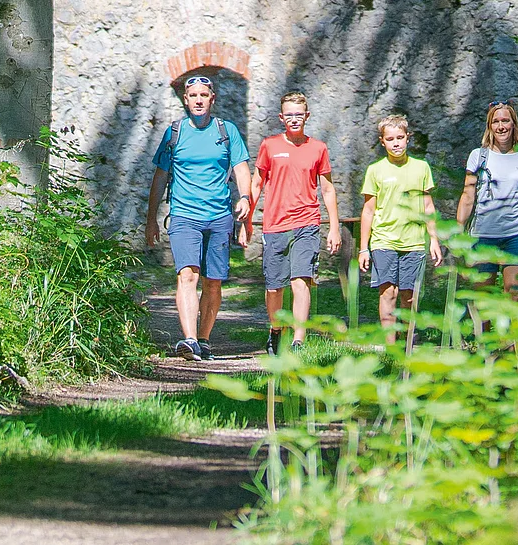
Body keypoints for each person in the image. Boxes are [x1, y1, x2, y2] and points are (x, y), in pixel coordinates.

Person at [144, 74, 250, 361]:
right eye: (194, 96)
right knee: (187, 275)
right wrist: (151, 218)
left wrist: (245, 198)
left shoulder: (226, 131)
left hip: (218, 217)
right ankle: (189, 339)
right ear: (186, 100)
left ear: (212, 99)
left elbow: (241, 168)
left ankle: (204, 339)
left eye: (204, 95)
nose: (199, 100)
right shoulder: (175, 133)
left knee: (213, 281)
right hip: (184, 215)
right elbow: (161, 176)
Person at [252, 91, 341, 353]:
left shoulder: (318, 148)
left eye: (298, 115)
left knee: (300, 280)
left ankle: (299, 339)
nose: (294, 119)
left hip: (307, 223)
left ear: (307, 116)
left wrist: (333, 227)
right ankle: (276, 330)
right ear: (281, 117)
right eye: (289, 115)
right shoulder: (270, 146)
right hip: (275, 224)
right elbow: (257, 183)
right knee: (274, 288)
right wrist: (247, 217)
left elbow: (327, 190)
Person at [357, 113, 441, 344]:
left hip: (413, 241)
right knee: (388, 292)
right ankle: (390, 347)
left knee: (409, 295)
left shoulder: (421, 168)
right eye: (390, 138)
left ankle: (408, 341)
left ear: (408, 139)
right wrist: (364, 248)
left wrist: (433, 238)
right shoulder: (375, 170)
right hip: (384, 240)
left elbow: (427, 205)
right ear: (382, 141)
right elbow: (368, 210)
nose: (396, 143)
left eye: (400, 137)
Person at [456, 101, 518, 303]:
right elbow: (467, 196)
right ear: (490, 126)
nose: (501, 126)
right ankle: (483, 335)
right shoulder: (478, 156)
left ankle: (510, 336)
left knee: (513, 294)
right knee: (483, 300)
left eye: (505, 120)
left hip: (517, 233)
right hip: (483, 234)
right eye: (495, 122)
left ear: (514, 124)